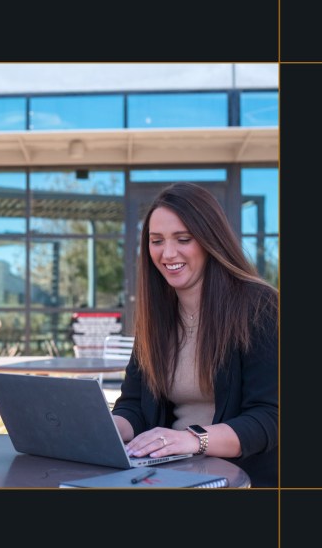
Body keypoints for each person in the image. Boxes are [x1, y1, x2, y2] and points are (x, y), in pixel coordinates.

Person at [111, 182, 278, 487]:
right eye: (156, 240)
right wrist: (104, 429)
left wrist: (192, 439)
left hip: (241, 479)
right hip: (166, 475)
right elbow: (133, 405)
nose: (167, 253)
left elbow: (270, 418)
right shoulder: (155, 314)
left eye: (183, 239)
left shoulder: (261, 307)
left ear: (210, 241)